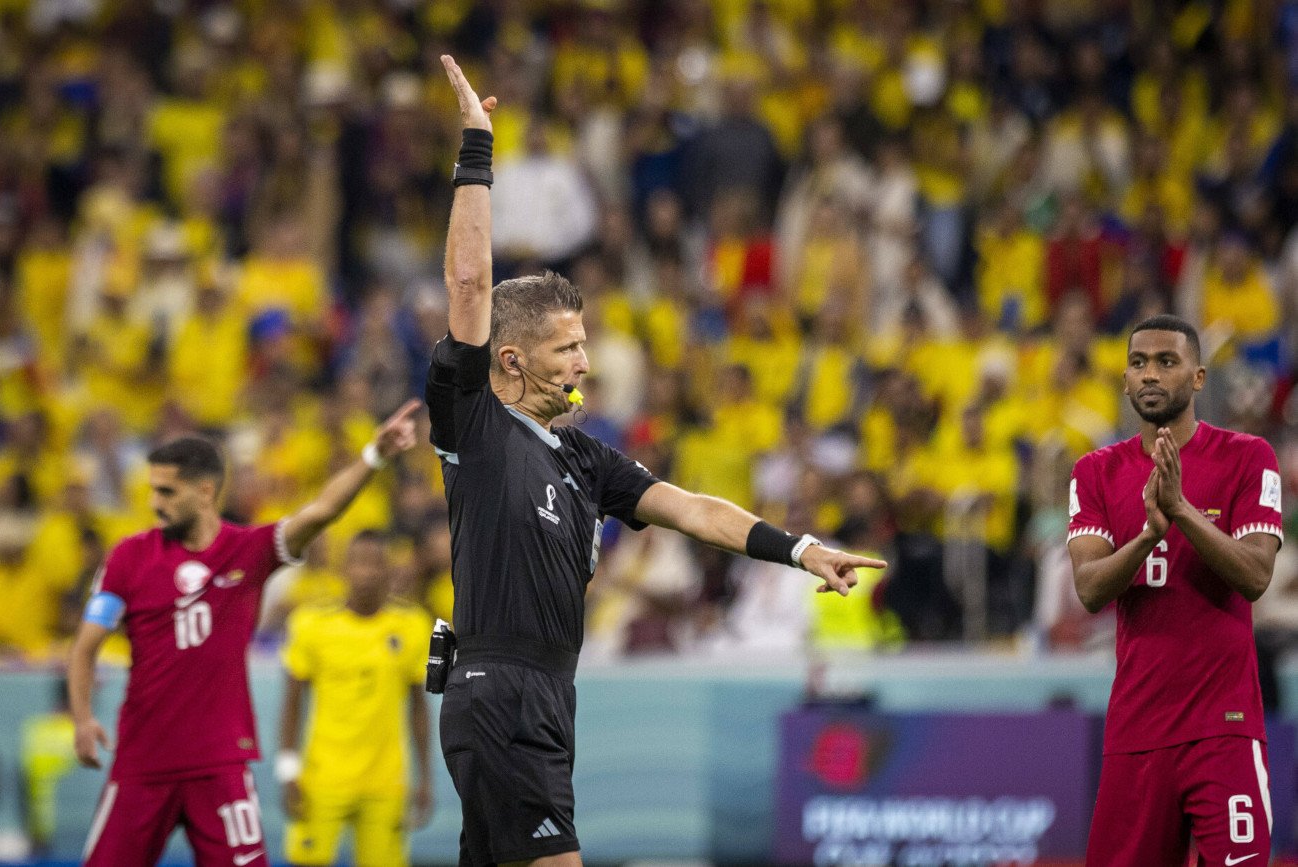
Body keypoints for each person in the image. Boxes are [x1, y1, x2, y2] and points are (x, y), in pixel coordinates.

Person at [428, 55, 885, 867]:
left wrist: (801, 548)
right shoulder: (478, 423)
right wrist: (477, 149)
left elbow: (696, 510)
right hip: (501, 693)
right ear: (511, 361)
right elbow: (468, 284)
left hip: (544, 696)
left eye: (585, 343)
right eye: (566, 348)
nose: (585, 363)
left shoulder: (583, 457)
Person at [67, 401, 420, 867]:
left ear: (205, 491)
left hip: (220, 766)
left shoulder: (248, 551)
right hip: (142, 763)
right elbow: (85, 646)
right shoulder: (128, 558)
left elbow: (321, 512)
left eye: (167, 492)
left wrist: (373, 456)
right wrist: (83, 718)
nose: (155, 503)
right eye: (153, 490)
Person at [1067, 314, 1280, 866]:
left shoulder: (1248, 457)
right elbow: (1089, 589)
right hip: (1137, 728)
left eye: (1167, 362)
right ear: (1124, 380)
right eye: (1138, 363)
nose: (1150, 374)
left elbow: (1256, 576)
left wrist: (1181, 510)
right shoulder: (1095, 471)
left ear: (1199, 377)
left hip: (1223, 727)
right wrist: (1147, 537)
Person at [276, 529, 434, 867]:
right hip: (322, 778)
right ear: (343, 568)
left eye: (376, 563)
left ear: (389, 570)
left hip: (386, 782)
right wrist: (288, 770)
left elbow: (418, 708)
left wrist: (425, 778)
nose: (367, 572)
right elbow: (292, 703)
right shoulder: (311, 624)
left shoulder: (413, 626)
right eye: (359, 563)